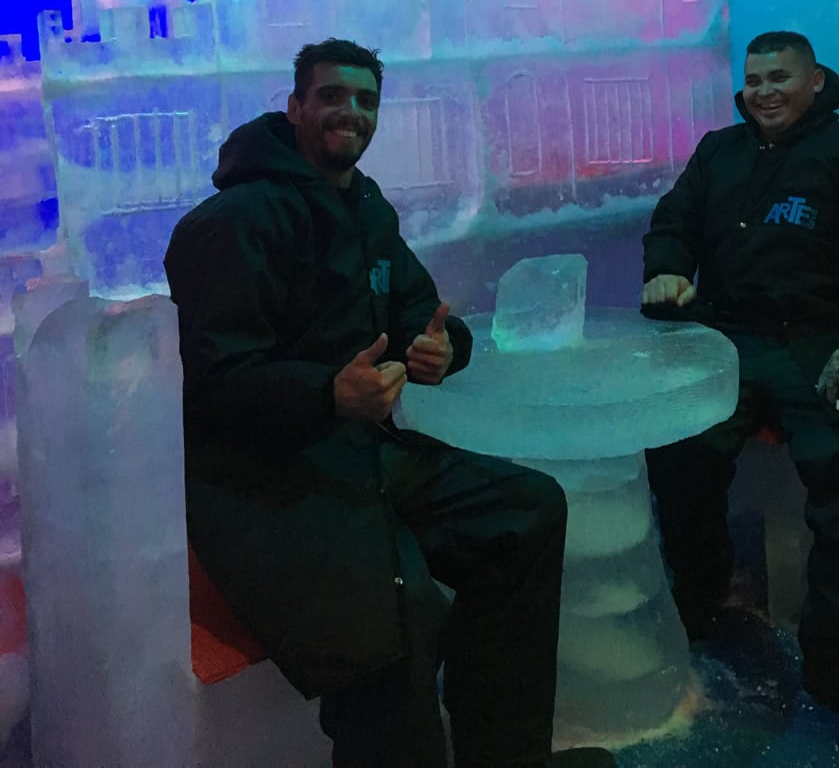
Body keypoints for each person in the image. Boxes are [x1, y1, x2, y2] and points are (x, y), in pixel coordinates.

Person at [165, 38, 613, 768]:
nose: (351, 112)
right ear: (295, 106)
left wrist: (444, 348)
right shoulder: (232, 223)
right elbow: (211, 387)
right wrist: (326, 393)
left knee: (526, 512)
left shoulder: (366, 208)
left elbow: (416, 310)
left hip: (362, 454)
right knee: (395, 619)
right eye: (331, 96)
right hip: (262, 483)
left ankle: (504, 756)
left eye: (366, 100)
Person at [641, 30, 839, 760]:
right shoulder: (718, 153)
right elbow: (673, 224)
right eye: (754, 79)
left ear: (814, 81)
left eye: (779, 77)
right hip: (729, 339)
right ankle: (698, 596)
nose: (764, 91)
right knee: (678, 437)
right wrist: (668, 268)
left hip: (825, 345)